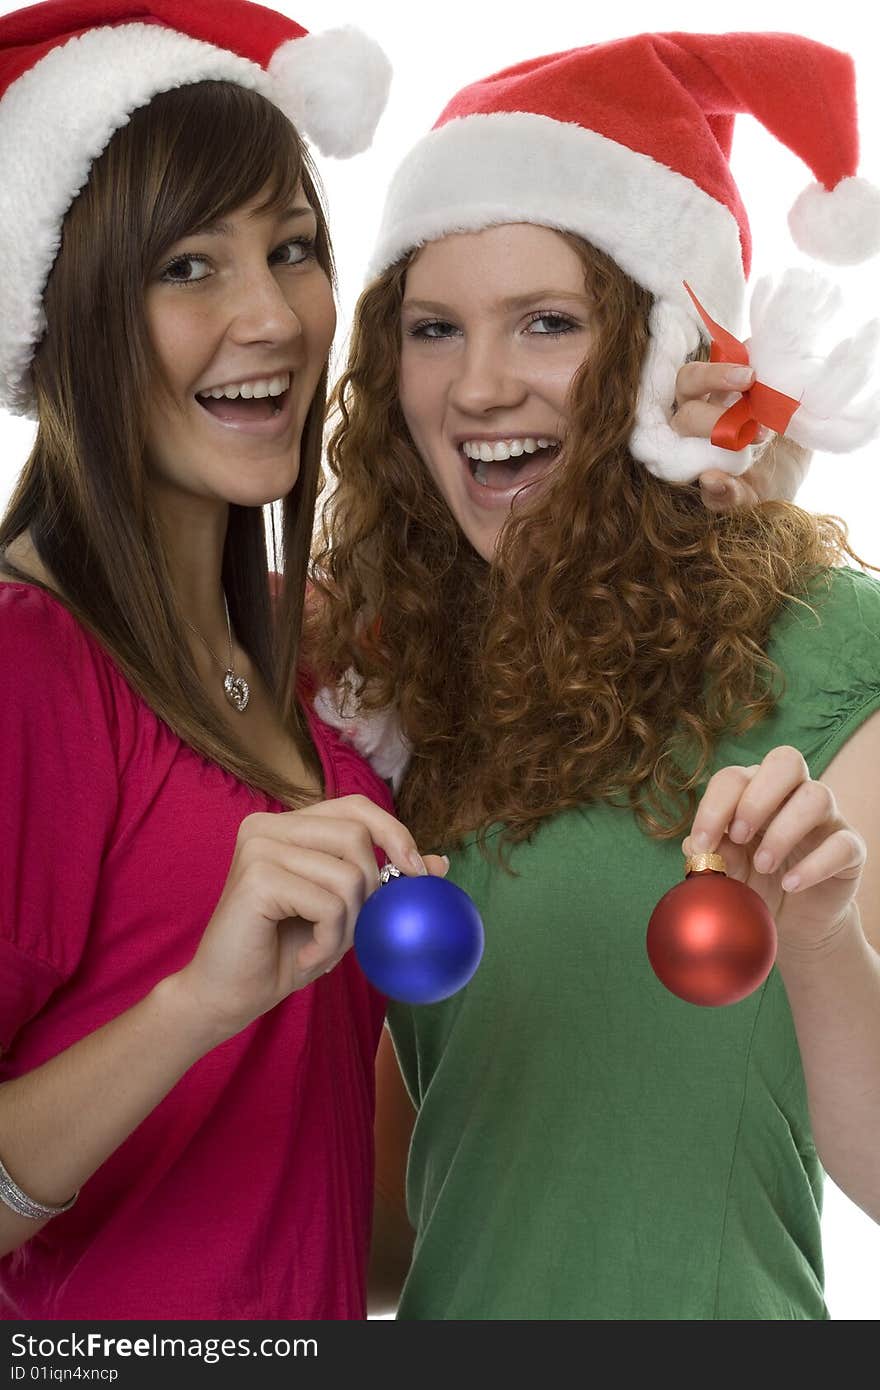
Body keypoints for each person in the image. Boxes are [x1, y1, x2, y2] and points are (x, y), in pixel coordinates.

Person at [306, 31, 880, 1320]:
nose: (481, 384)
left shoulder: (833, 647)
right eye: (434, 330)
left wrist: (825, 937)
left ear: (656, 357)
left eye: (550, 324)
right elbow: (415, 1226)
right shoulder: (416, 702)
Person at [0, 0, 457, 1322]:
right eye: (187, 266)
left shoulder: (305, 669)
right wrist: (199, 999)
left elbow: (325, 1215)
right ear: (68, 312)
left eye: (293, 248)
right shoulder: (32, 670)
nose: (269, 317)